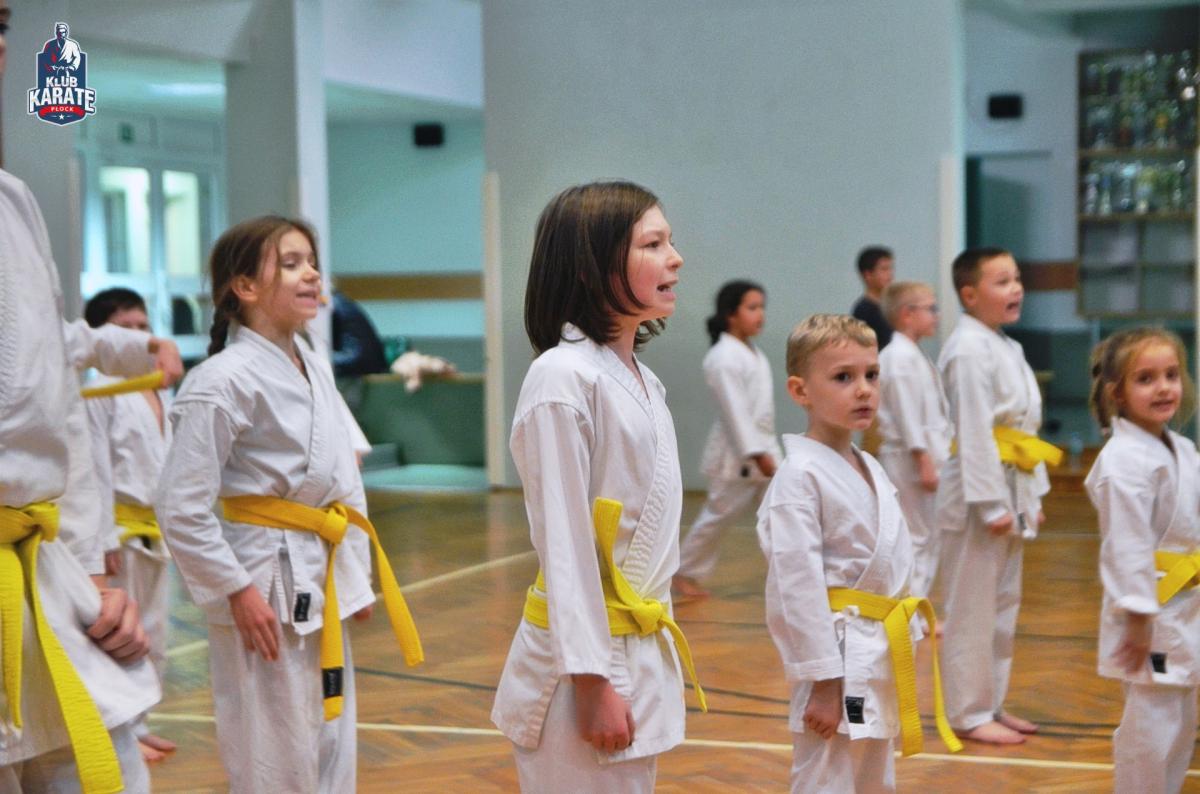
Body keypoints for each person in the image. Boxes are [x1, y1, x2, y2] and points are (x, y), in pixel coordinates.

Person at [154, 215, 422, 792]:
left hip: (318, 572)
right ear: (245, 287)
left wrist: (353, 575)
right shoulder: (220, 381)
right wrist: (235, 589)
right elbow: (179, 507)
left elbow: (344, 479)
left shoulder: (312, 362)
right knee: (274, 751)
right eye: (292, 263)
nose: (312, 275)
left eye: (312, 263)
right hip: (262, 579)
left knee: (331, 741)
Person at [1, 8, 181, 790]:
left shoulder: (13, 204)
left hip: (43, 573)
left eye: (0, 24)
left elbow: (57, 405)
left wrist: (90, 572)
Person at [491, 181, 705, 793]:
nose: (675, 258)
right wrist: (590, 680)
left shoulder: (639, 379)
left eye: (669, 242)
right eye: (653, 244)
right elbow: (564, 543)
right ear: (592, 266)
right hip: (579, 672)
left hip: (629, 651)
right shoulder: (561, 377)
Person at [756, 314, 959, 794]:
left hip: (876, 649)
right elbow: (796, 588)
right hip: (835, 656)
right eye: (843, 377)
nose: (864, 389)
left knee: (872, 775)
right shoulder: (799, 477)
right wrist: (824, 682)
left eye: (872, 375)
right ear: (800, 390)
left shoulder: (868, 463)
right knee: (827, 777)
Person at [936, 247, 1061, 745]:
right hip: (977, 499)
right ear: (969, 295)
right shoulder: (967, 348)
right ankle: (968, 713)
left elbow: (1023, 432)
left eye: (1017, 279)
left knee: (1003, 607)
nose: (1016, 289)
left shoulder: (1003, 345)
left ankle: (991, 702)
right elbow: (974, 432)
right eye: (1002, 281)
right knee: (972, 610)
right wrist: (991, 505)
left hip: (1012, 484)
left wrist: (1032, 499)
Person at [1085, 328, 1200, 794]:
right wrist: (1136, 615)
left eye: (1171, 375)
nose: (1163, 388)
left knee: (1179, 728)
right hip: (1149, 612)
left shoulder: (1182, 449)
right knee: (1151, 732)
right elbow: (1126, 545)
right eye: (1146, 379)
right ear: (1117, 393)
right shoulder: (1123, 461)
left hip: (1183, 605)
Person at [84, 287, 178, 763]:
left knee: (154, 635)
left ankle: (139, 724)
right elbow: (94, 470)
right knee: (120, 635)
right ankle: (119, 732)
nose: (139, 337)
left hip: (157, 531)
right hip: (118, 532)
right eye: (126, 329)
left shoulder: (158, 388)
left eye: (143, 328)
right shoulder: (100, 390)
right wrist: (101, 541)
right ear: (100, 335)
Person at [673, 280, 780, 601]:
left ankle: (791, 575)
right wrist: (756, 454)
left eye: (762, 307)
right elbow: (735, 412)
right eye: (752, 308)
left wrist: (767, 452)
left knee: (781, 514)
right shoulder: (723, 357)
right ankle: (685, 570)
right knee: (718, 515)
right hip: (738, 455)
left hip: (764, 447)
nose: (760, 315)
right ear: (731, 314)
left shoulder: (751, 352)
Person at [876, 282, 952, 598]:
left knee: (927, 535)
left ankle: (915, 606)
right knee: (917, 537)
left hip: (923, 455)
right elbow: (907, 414)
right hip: (910, 457)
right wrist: (923, 458)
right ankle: (911, 609)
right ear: (907, 314)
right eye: (931, 308)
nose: (936, 315)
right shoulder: (898, 358)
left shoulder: (911, 354)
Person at [849, 246, 894, 350]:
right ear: (868, 274)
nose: (890, 274)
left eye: (891, 268)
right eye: (884, 269)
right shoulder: (863, 311)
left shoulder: (891, 307)